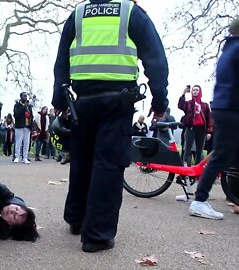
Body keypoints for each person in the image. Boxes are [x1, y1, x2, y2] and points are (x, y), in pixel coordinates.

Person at [52, 0, 169, 252]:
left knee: (82, 159)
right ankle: (97, 235)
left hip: (81, 102)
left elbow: (61, 60)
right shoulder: (131, 13)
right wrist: (160, 101)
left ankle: (77, 218)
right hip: (117, 101)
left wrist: (58, 100)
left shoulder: (78, 14)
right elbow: (156, 60)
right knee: (108, 164)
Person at [188, 18, 239, 220]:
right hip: (231, 109)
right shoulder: (236, 50)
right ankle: (199, 201)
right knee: (221, 156)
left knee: (224, 155)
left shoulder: (230, 49)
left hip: (226, 108)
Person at [178, 85, 213, 166]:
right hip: (191, 128)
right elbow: (180, 105)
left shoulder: (205, 105)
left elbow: (209, 119)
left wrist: (209, 132)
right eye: (193, 90)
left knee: (199, 150)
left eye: (197, 90)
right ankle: (185, 167)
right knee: (187, 149)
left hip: (201, 129)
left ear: (200, 92)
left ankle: (197, 169)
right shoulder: (188, 103)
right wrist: (183, 94)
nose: (195, 91)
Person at [13, 92, 34, 164]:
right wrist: (23, 107)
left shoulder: (29, 106)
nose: (25, 97)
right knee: (18, 142)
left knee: (26, 142)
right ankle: (17, 157)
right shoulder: (17, 105)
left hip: (27, 126)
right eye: (24, 96)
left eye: (26, 96)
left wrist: (31, 126)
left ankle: (25, 157)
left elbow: (31, 116)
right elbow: (16, 115)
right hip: (19, 126)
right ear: (21, 97)